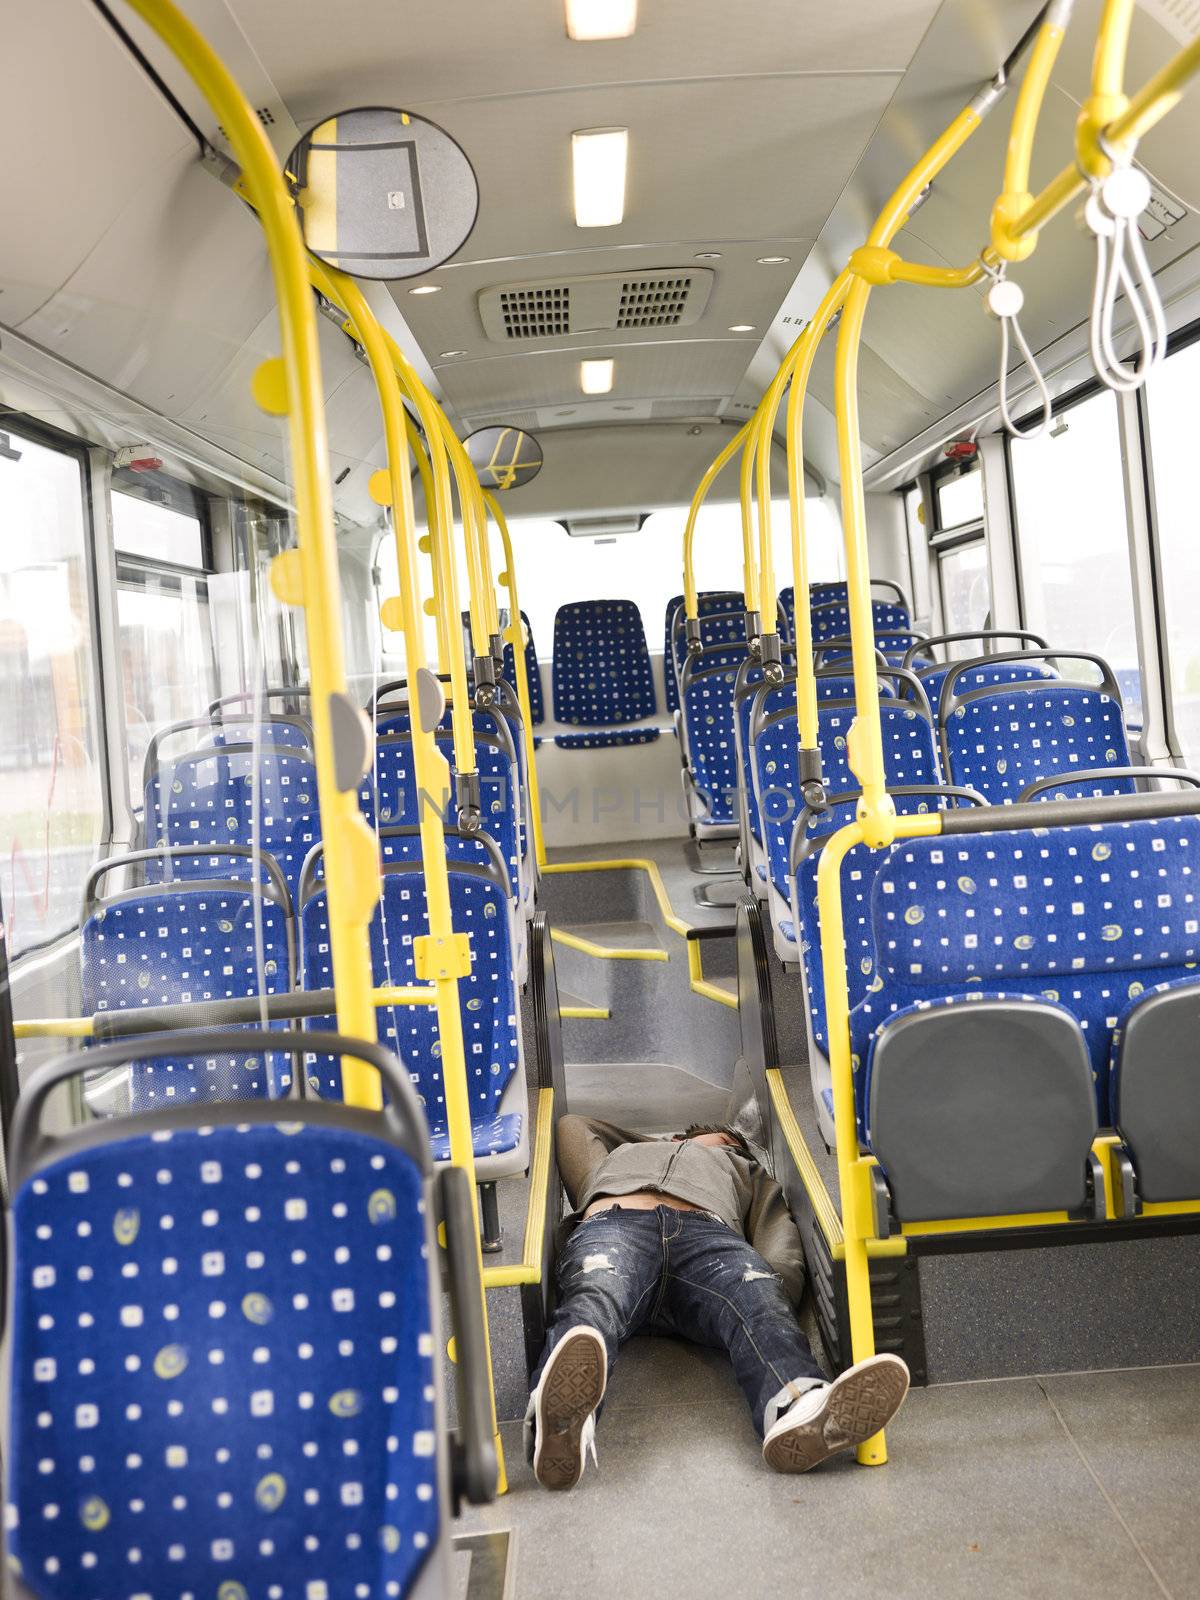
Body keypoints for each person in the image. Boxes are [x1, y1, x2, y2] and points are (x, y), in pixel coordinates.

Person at [526, 1116, 909, 1490]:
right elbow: (572, 1127)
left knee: (755, 1301)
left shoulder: (741, 1168)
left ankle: (796, 1406)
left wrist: (773, 1287)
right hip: (617, 1223)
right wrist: (664, 1144)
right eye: (727, 1141)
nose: (730, 1146)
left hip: (706, 1238)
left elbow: (775, 1226)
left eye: (732, 1146)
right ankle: (561, 1420)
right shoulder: (618, 1158)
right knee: (598, 1295)